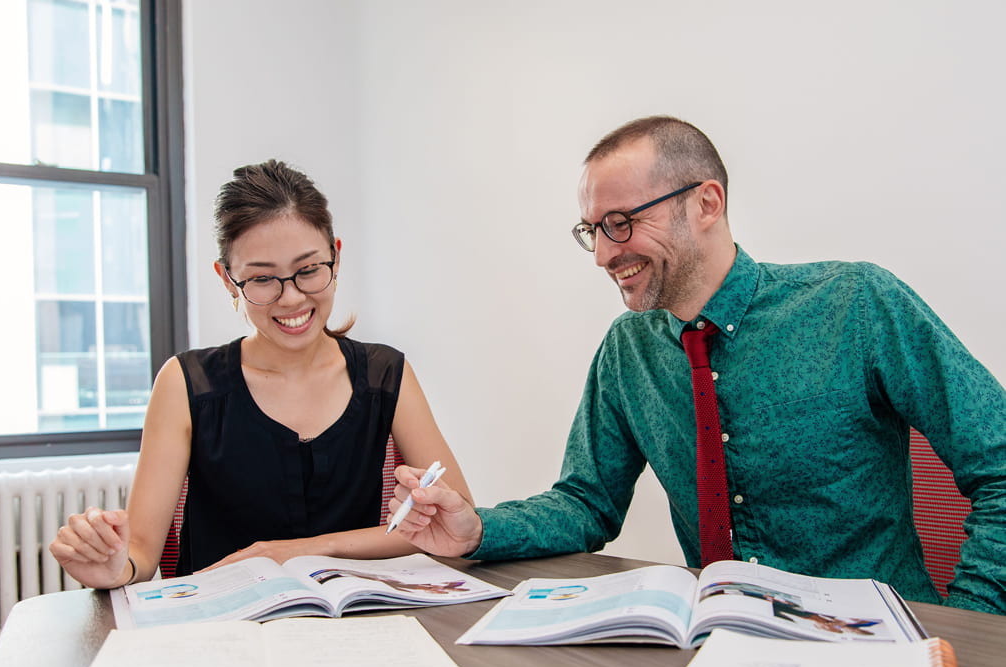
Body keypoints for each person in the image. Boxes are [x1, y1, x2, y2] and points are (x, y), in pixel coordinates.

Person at [391, 115, 1006, 614]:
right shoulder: (628, 348)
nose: (605, 254)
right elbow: (585, 503)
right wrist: (478, 531)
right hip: (719, 646)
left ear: (707, 202)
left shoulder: (857, 304)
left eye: (622, 223)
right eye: (592, 231)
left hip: (877, 648)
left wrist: (974, 626)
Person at [50, 160, 471, 589]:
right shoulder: (185, 383)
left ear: (336, 257)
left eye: (308, 270)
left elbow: (457, 520)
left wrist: (296, 551)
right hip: (221, 630)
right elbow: (140, 552)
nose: (291, 298)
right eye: (262, 278)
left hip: (353, 624)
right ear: (228, 280)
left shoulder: (387, 373)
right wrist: (111, 567)